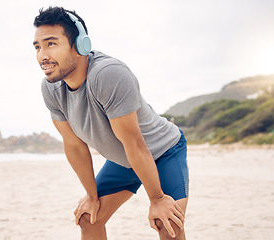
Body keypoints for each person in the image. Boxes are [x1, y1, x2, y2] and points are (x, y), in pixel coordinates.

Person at [33, 6, 189, 240]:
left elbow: (135, 143)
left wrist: (157, 199)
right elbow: (74, 145)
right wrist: (91, 195)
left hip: (163, 152)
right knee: (89, 218)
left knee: (166, 223)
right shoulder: (51, 88)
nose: (42, 55)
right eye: (37, 47)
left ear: (80, 45)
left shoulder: (108, 75)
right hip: (124, 159)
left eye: (51, 44)